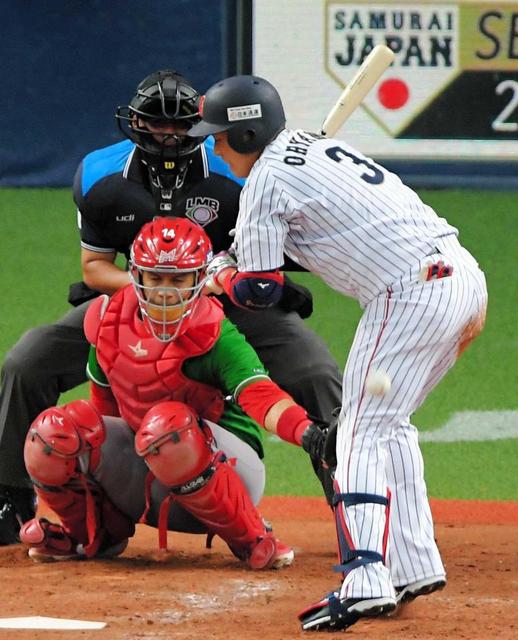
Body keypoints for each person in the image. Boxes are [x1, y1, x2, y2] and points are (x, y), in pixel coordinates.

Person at [187, 75, 488, 630]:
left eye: (222, 137)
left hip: (412, 291)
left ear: (249, 132)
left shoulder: (267, 182)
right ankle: (411, 564)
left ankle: (365, 578)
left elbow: (259, 292)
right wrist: (243, 255)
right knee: (387, 425)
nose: (214, 146)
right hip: (460, 279)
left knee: (355, 432)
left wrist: (223, 272)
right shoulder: (315, 148)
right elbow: (318, 237)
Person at [0, 70, 342, 544]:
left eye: (178, 125)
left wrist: (215, 282)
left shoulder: (237, 172)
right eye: (154, 124)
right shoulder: (100, 174)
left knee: (315, 373)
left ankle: (353, 501)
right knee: (28, 359)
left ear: (198, 127)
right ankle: (9, 501)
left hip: (227, 298)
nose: (166, 134)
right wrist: (157, 290)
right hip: (131, 305)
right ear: (134, 123)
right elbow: (95, 267)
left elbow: (270, 261)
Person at [19, 217, 327, 568]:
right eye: (156, 278)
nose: (166, 292)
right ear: (136, 275)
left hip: (230, 472)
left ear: (200, 281)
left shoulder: (215, 333)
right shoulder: (108, 320)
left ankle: (252, 538)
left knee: (168, 426)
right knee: (51, 433)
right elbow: (104, 416)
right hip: (151, 459)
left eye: (178, 279)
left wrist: (309, 434)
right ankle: (93, 535)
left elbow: (261, 396)